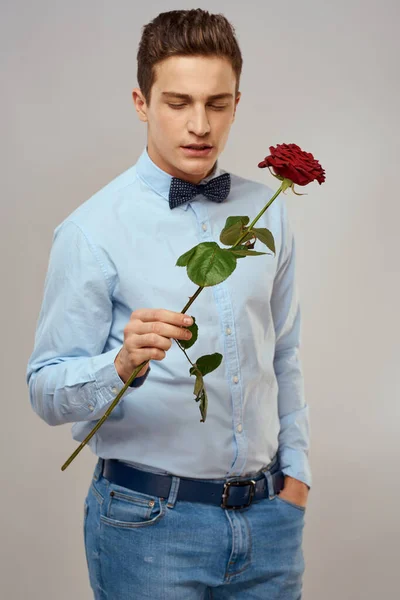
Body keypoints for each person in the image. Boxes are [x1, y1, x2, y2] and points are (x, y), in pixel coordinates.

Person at [26, 8, 311, 599]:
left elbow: (283, 352)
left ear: (237, 102)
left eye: (218, 103)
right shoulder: (91, 230)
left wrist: (297, 478)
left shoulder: (268, 210)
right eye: (178, 102)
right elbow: (45, 390)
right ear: (141, 102)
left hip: (269, 525)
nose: (200, 125)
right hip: (147, 526)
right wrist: (120, 365)